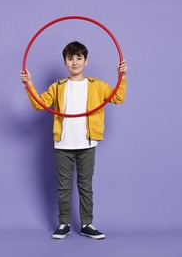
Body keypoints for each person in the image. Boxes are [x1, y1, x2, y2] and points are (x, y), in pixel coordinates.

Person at [20, 41, 127, 239]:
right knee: (64, 186)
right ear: (65, 62)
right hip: (63, 144)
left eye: (79, 58)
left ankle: (87, 224)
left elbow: (118, 97)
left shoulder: (97, 85)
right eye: (70, 58)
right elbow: (39, 105)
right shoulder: (58, 86)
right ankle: (64, 224)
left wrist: (122, 75)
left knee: (85, 185)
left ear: (86, 61)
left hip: (87, 143)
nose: (75, 62)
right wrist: (30, 84)